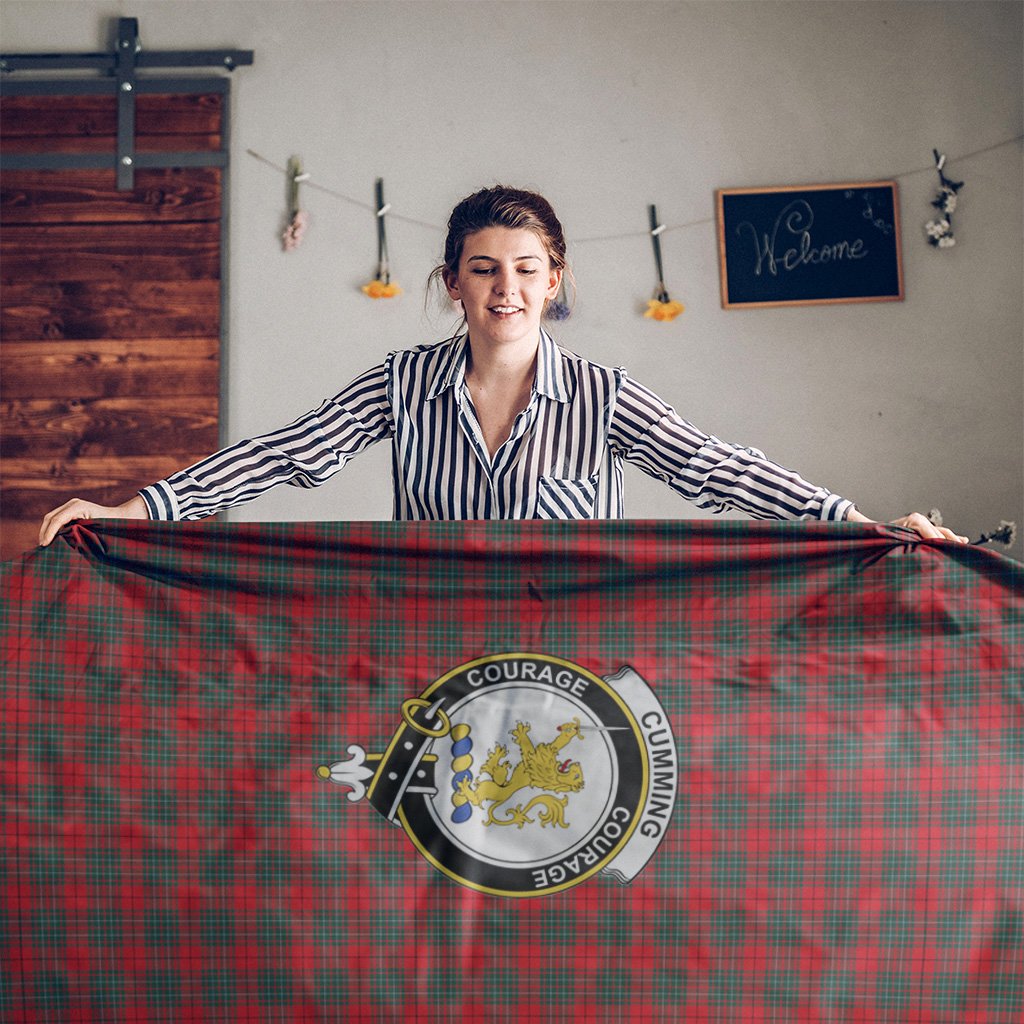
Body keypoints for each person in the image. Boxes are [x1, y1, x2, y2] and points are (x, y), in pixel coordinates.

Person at [38, 186, 967, 546]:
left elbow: (719, 468)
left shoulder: (604, 397)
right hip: (431, 660)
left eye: (526, 271)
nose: (506, 289)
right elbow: (284, 455)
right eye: (484, 270)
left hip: (576, 665)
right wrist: (135, 510)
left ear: (555, 280)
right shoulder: (402, 382)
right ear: (453, 283)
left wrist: (858, 523)